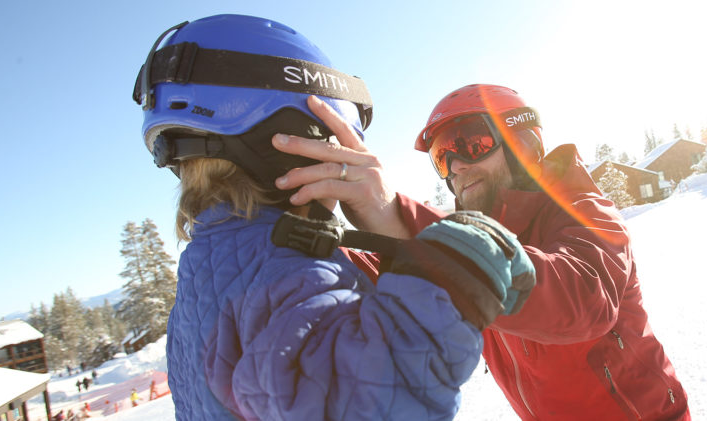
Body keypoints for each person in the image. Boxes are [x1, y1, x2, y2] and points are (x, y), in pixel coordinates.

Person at [133, 15, 532, 420]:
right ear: (295, 143)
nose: (353, 160)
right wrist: (466, 267)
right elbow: (381, 398)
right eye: (338, 141)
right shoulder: (280, 273)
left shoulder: (211, 269)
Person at [272, 84, 690, 420]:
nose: (455, 166)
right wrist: (315, 235)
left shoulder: (582, 210)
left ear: (522, 145)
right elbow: (389, 265)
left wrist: (394, 214)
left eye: (468, 143)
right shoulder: (469, 237)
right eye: (442, 157)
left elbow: (583, 298)